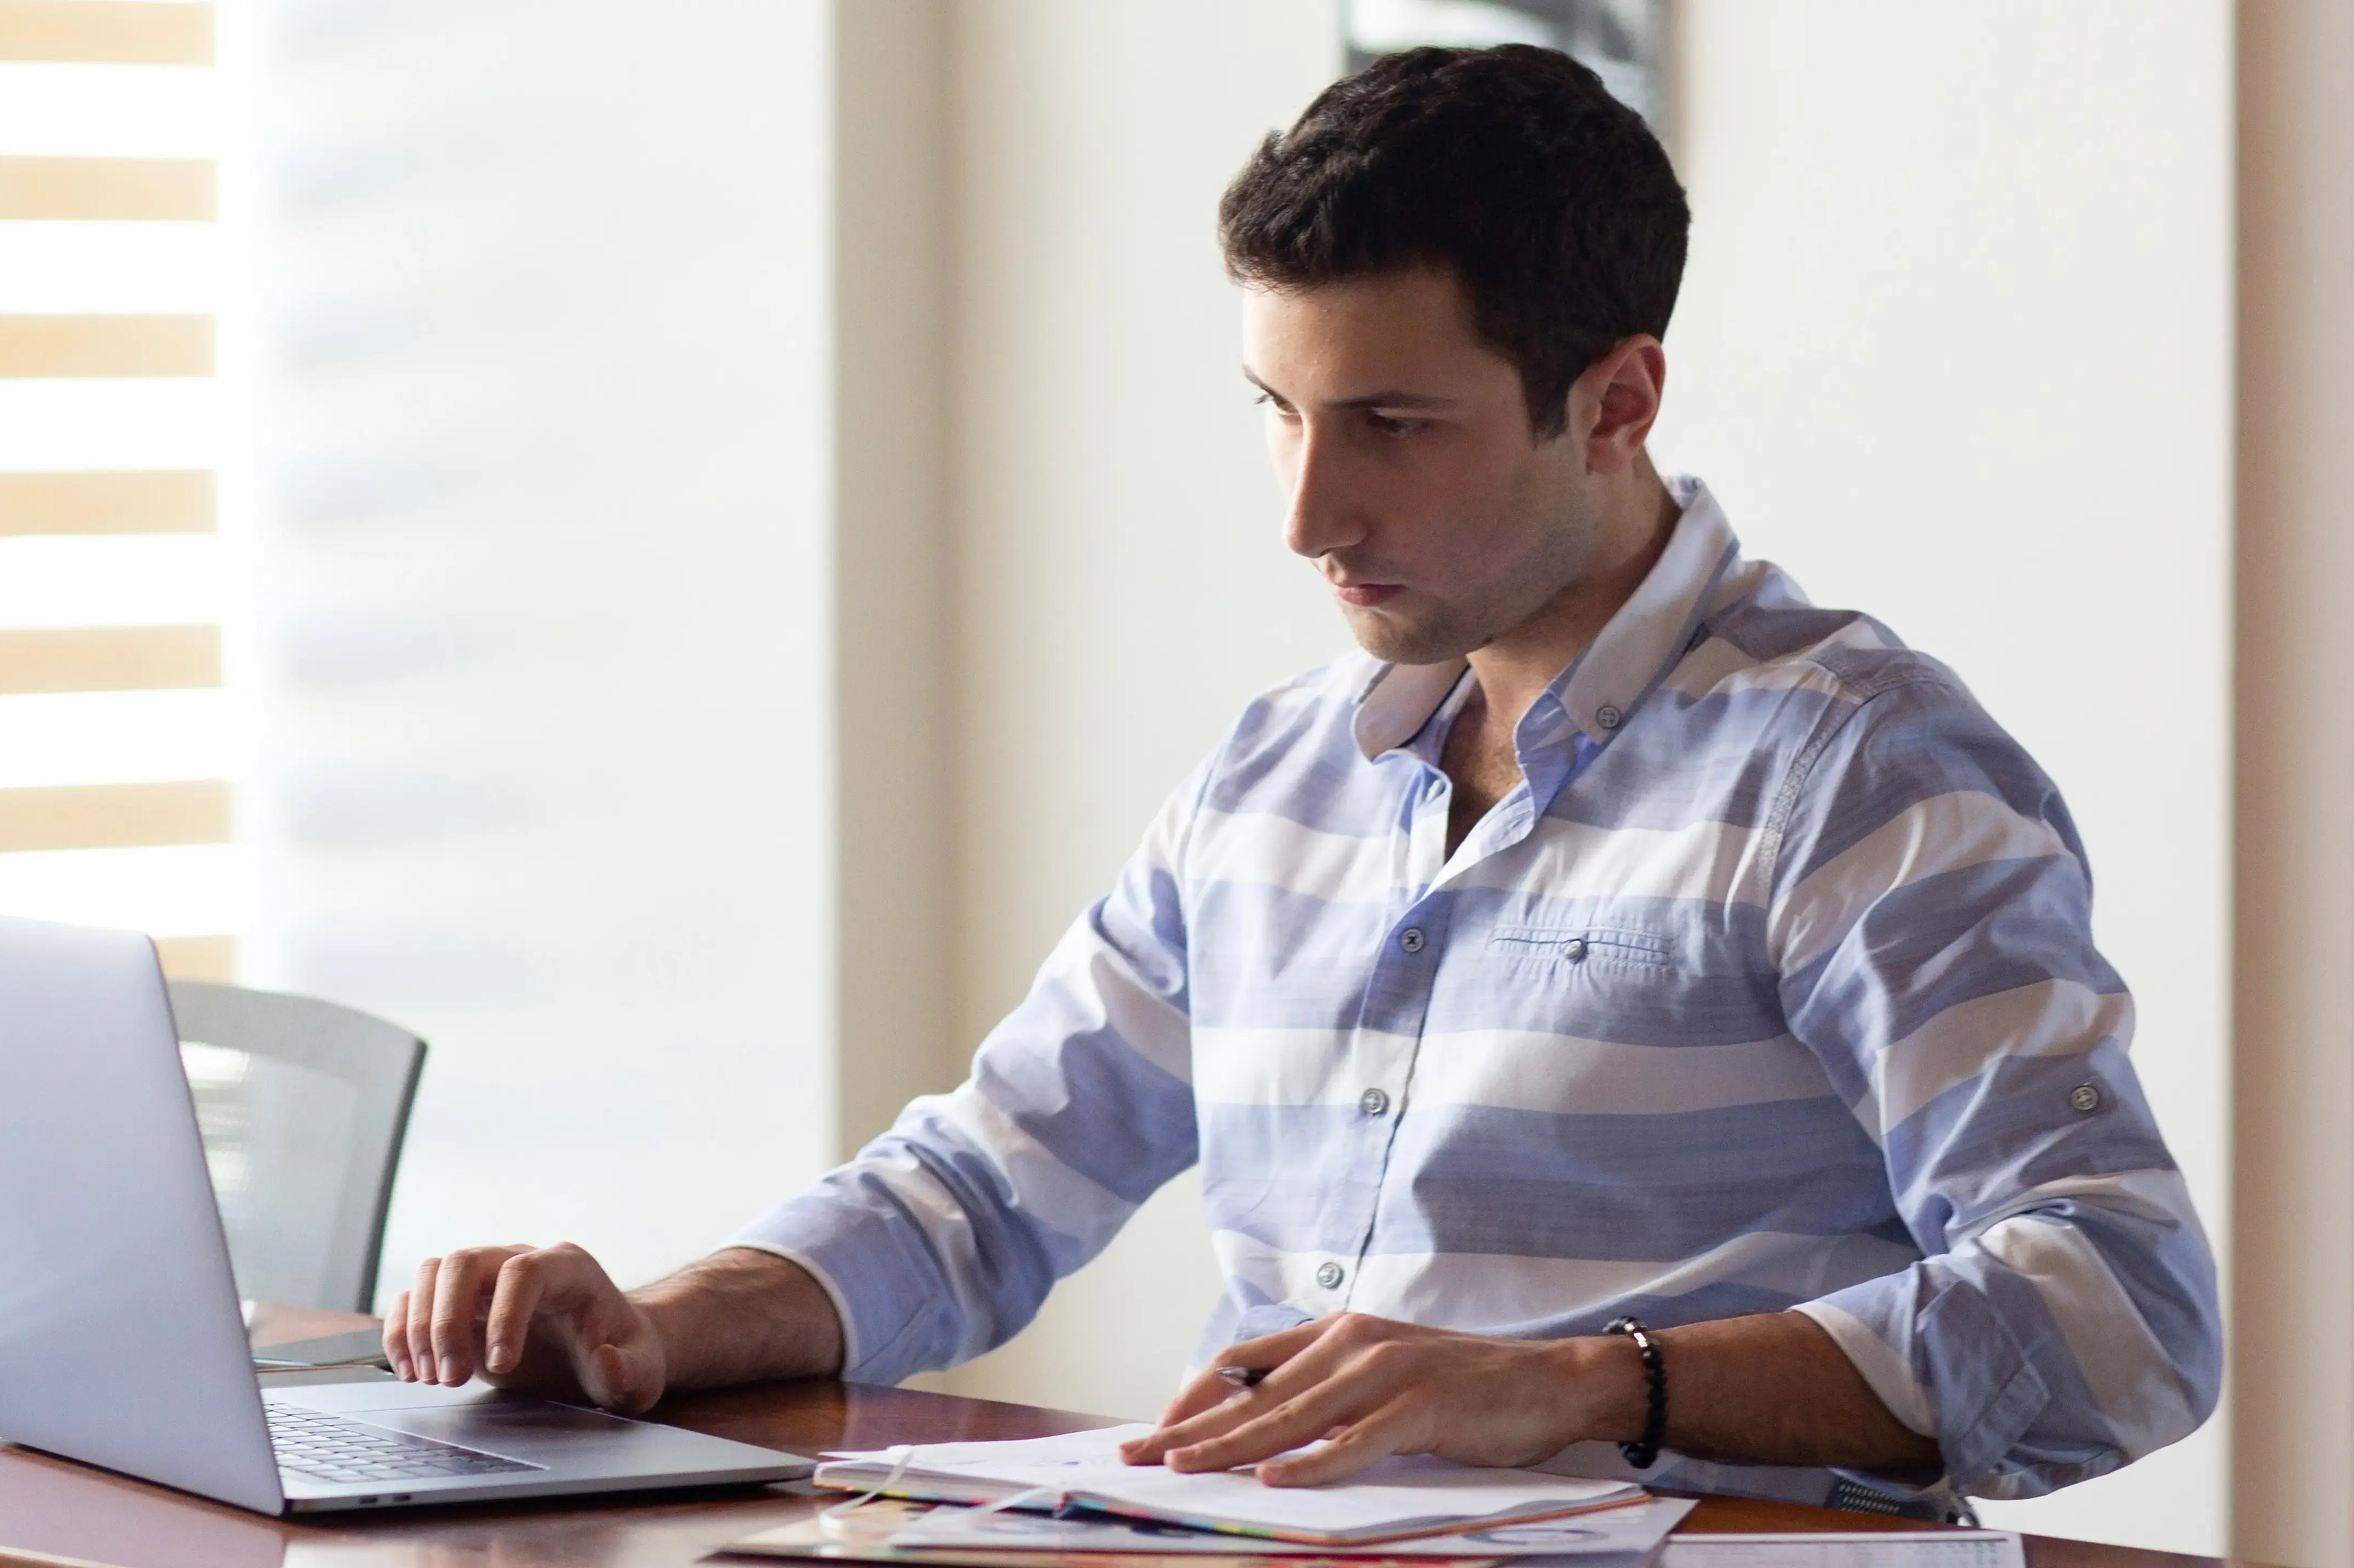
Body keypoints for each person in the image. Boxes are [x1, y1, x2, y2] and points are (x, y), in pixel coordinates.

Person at [379, 44, 2220, 1516]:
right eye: (1277, 410)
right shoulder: (1277, 774)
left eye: (1392, 429)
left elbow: (2121, 1310)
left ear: (1618, 399)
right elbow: (985, 1189)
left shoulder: (1856, 772)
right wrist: (653, 1326)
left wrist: (1582, 1387)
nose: (1306, 515)